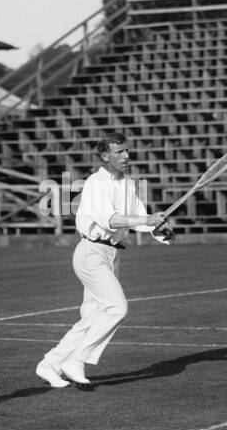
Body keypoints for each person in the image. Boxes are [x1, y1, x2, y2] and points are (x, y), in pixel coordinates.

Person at [36, 132, 173, 388]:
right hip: (90, 254)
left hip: (111, 254)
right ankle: (77, 359)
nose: (126, 156)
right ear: (104, 156)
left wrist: (159, 229)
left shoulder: (128, 182)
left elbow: (138, 216)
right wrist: (146, 220)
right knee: (116, 308)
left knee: (91, 318)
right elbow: (108, 219)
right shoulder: (95, 183)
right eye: (119, 152)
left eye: (126, 151)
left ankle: (49, 365)